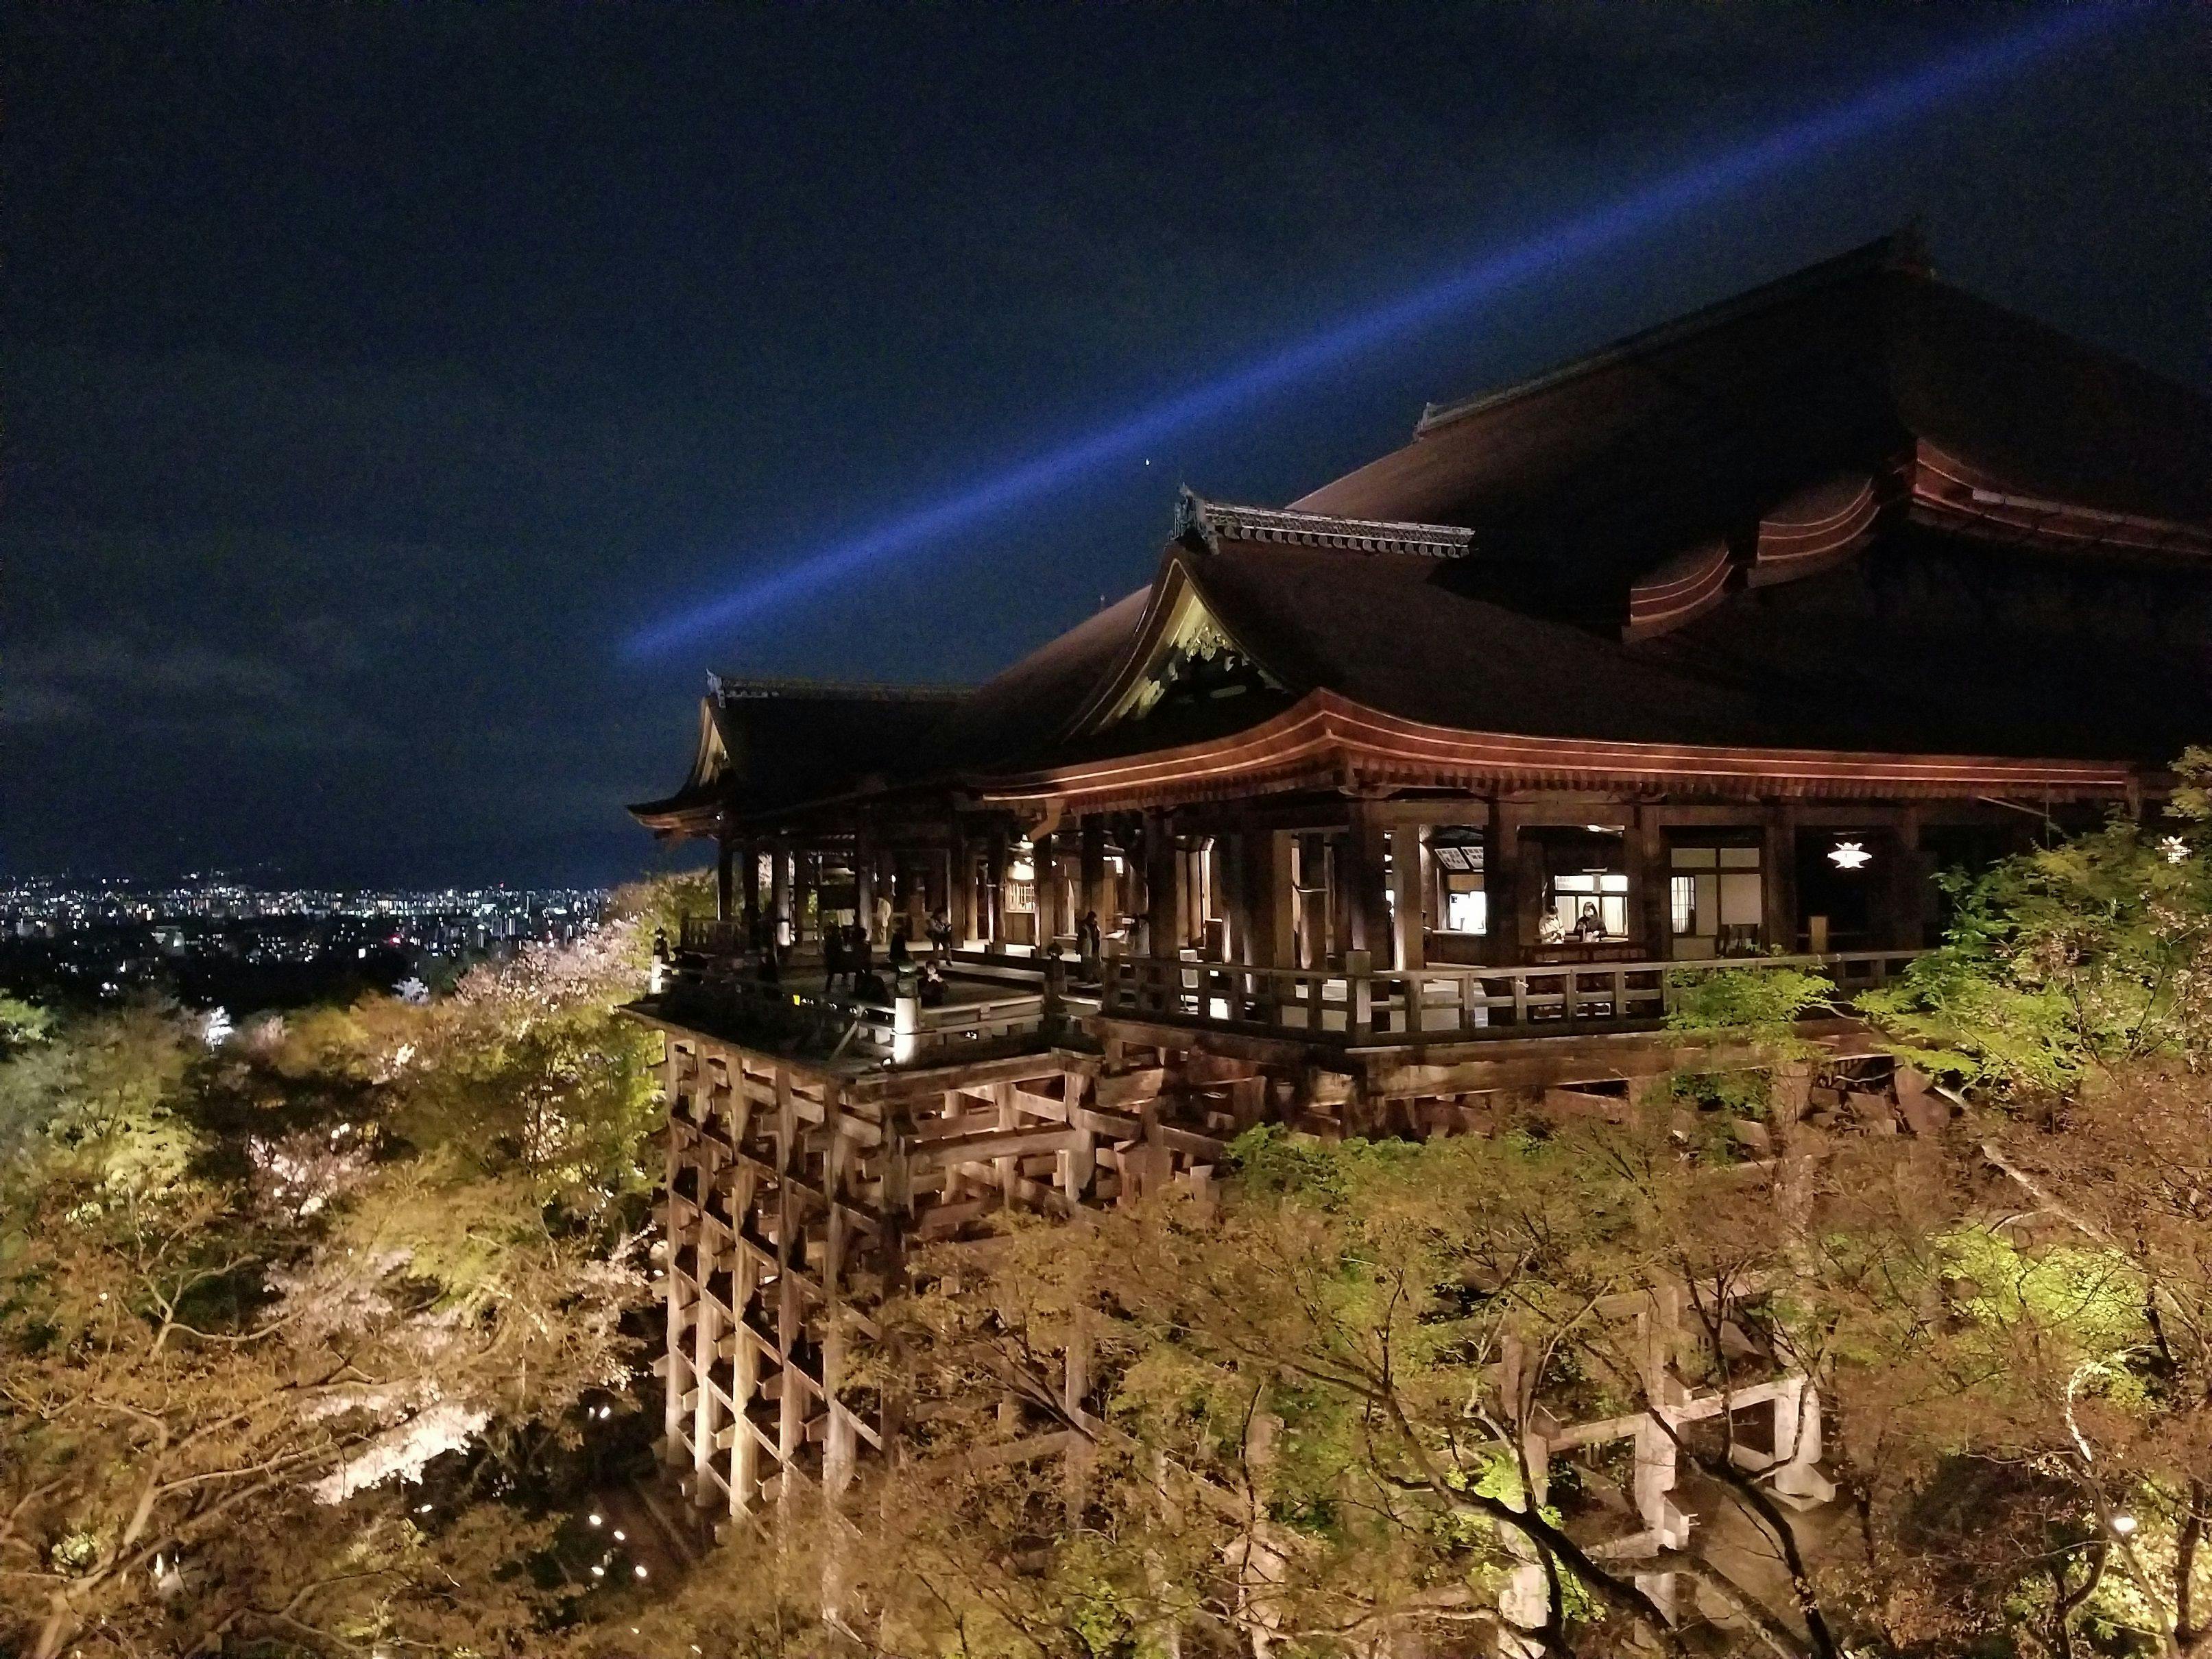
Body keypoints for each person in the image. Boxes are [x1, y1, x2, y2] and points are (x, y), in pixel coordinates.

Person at [823, 923, 848, 992]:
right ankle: (844, 982)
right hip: (837, 961)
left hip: (833, 961)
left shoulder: (831, 940)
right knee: (842, 970)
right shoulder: (837, 940)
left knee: (831, 975)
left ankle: (828, 989)